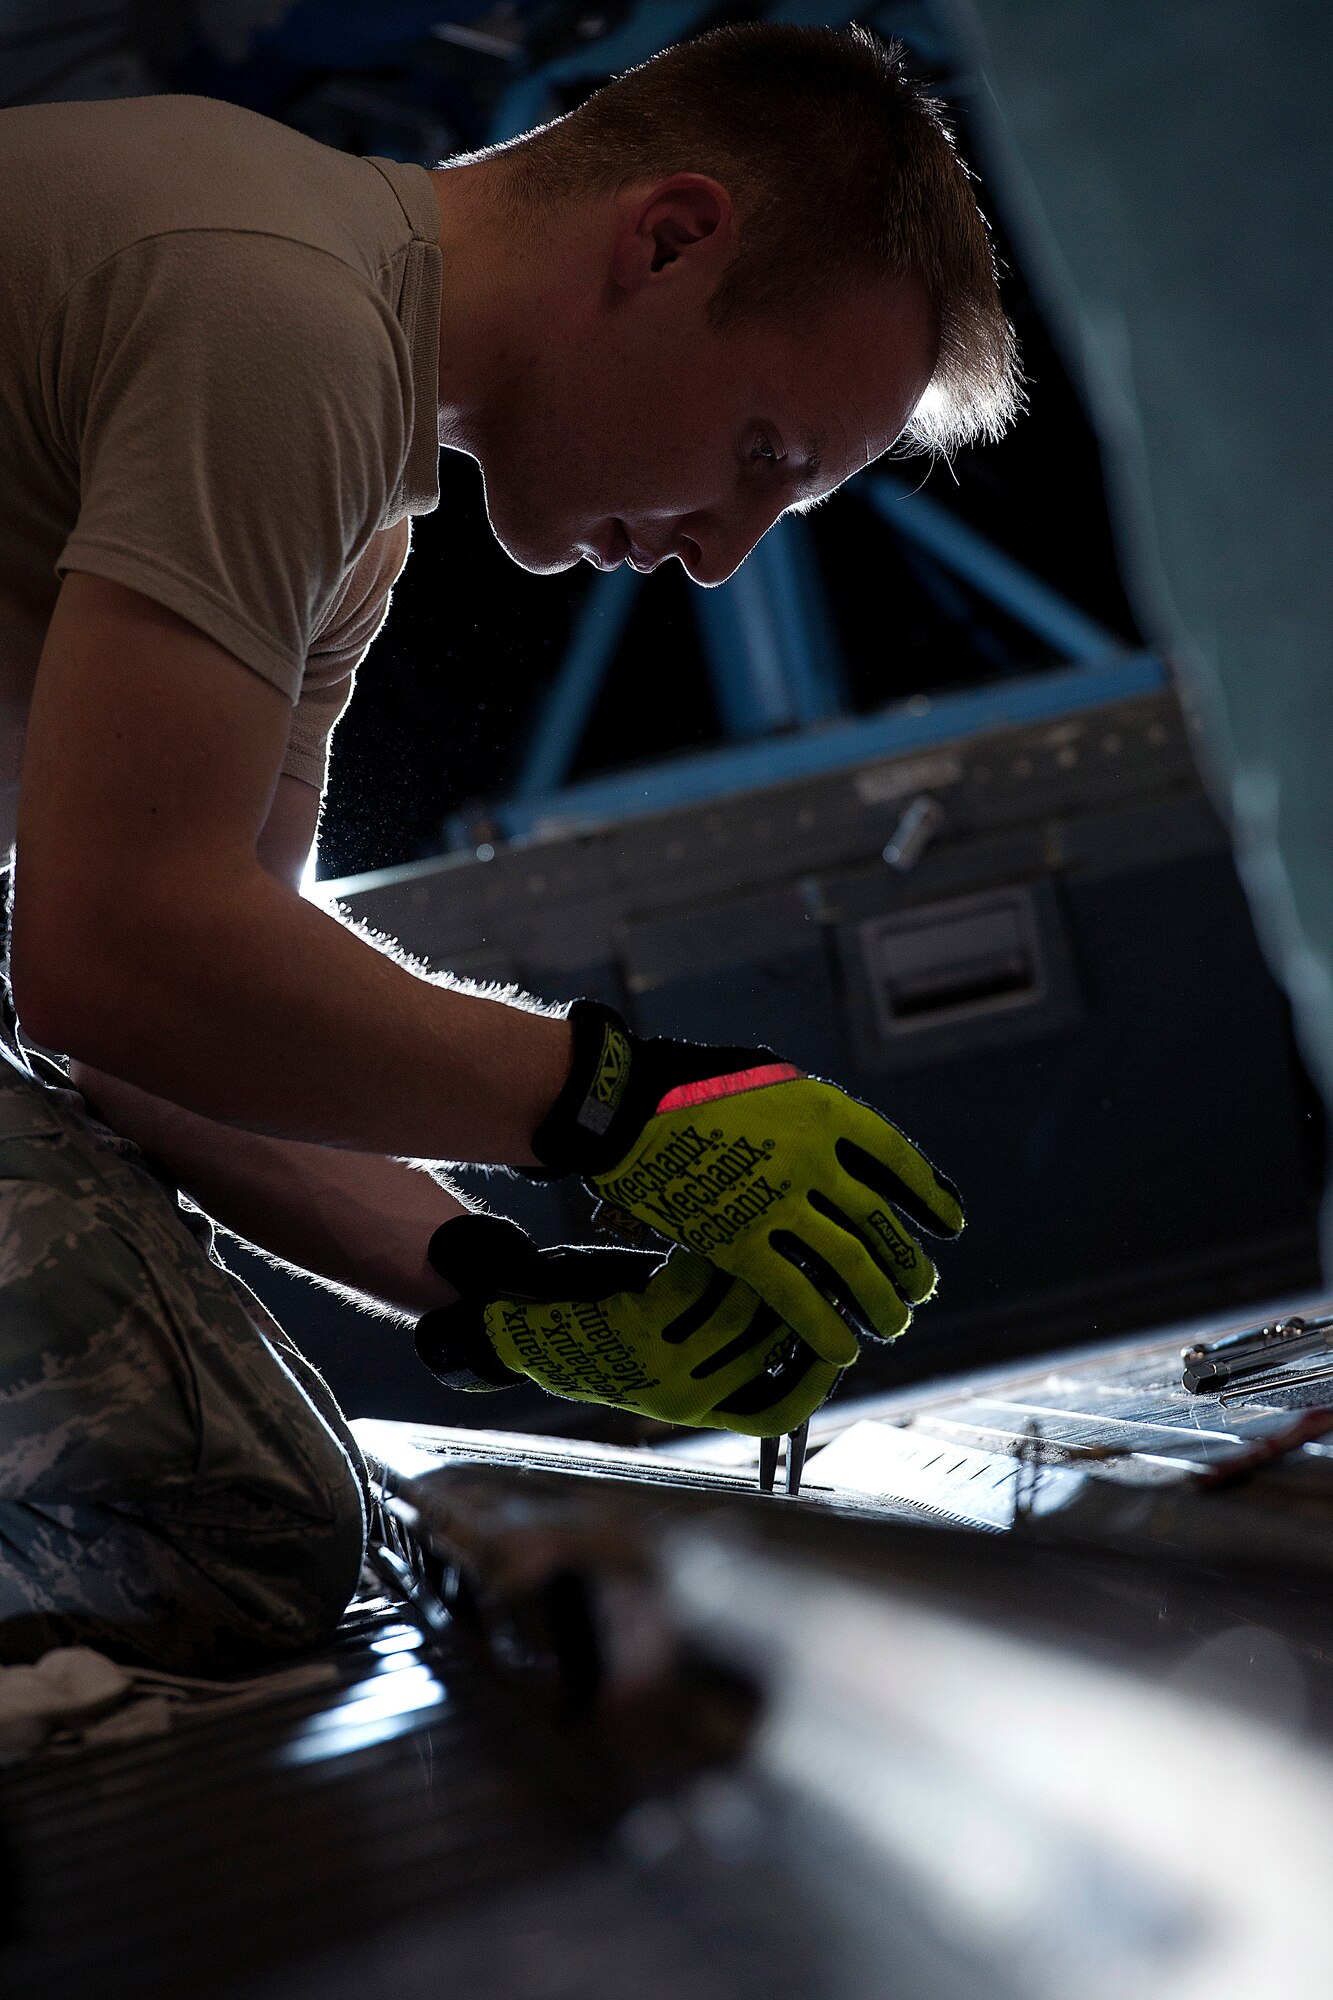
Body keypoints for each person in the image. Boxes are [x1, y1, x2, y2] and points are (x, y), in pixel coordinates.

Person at [0, 23, 1018, 1669]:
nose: (717, 558)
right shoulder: (271, 311)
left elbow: (170, 1030)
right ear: (666, 239)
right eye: (761, 455)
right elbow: (115, 952)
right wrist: (622, 1104)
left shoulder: (345, 515)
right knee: (231, 1530)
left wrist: (499, 1290)